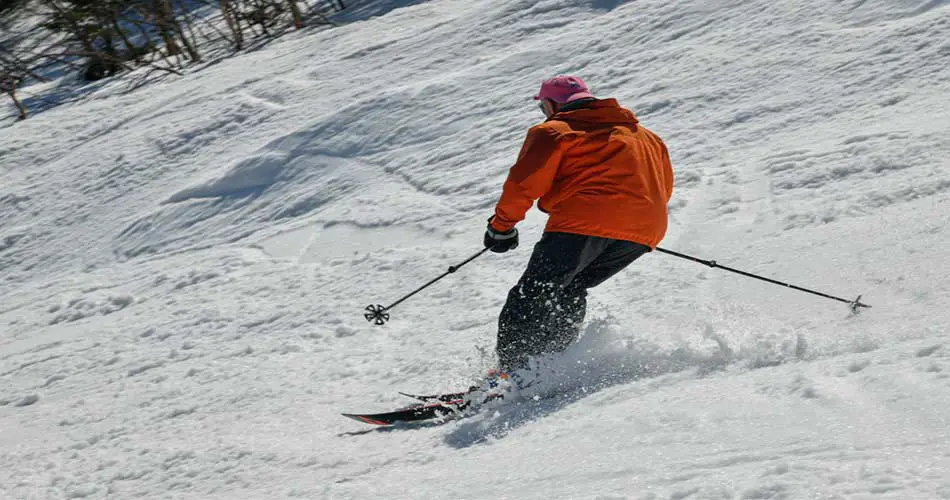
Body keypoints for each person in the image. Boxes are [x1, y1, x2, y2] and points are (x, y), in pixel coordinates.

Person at [483, 75, 674, 372]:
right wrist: (629, 222)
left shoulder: (553, 132)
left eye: (543, 107)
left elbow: (523, 184)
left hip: (584, 222)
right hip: (646, 230)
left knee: (533, 292)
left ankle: (512, 372)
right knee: (571, 288)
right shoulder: (646, 136)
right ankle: (554, 365)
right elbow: (664, 187)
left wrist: (501, 227)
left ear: (550, 104)